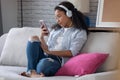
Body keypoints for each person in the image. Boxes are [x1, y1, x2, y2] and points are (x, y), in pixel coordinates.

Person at [21, 1, 89, 78]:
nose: (57, 20)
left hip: (58, 61)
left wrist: (50, 52)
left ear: (69, 14)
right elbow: (47, 47)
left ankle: (35, 70)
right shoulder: (56, 30)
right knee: (33, 38)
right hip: (47, 55)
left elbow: (72, 52)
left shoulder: (79, 32)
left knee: (44, 64)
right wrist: (42, 37)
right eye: (56, 18)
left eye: (59, 16)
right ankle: (32, 71)